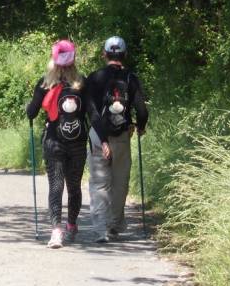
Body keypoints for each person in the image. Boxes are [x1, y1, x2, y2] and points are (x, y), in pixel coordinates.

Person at [26, 39, 90, 249]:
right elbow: (93, 113)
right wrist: (103, 139)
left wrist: (31, 104)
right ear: (73, 60)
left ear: (53, 60)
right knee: (74, 186)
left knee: (56, 185)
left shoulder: (45, 83)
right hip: (78, 143)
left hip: (53, 140)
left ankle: (56, 232)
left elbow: (32, 112)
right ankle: (71, 225)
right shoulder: (81, 82)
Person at [85, 36, 148, 243]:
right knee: (120, 182)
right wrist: (140, 127)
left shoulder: (94, 78)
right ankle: (114, 225)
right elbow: (141, 110)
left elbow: (92, 112)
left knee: (99, 184)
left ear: (104, 54)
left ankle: (101, 229)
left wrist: (102, 140)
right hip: (121, 135)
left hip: (98, 135)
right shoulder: (131, 78)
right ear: (125, 55)